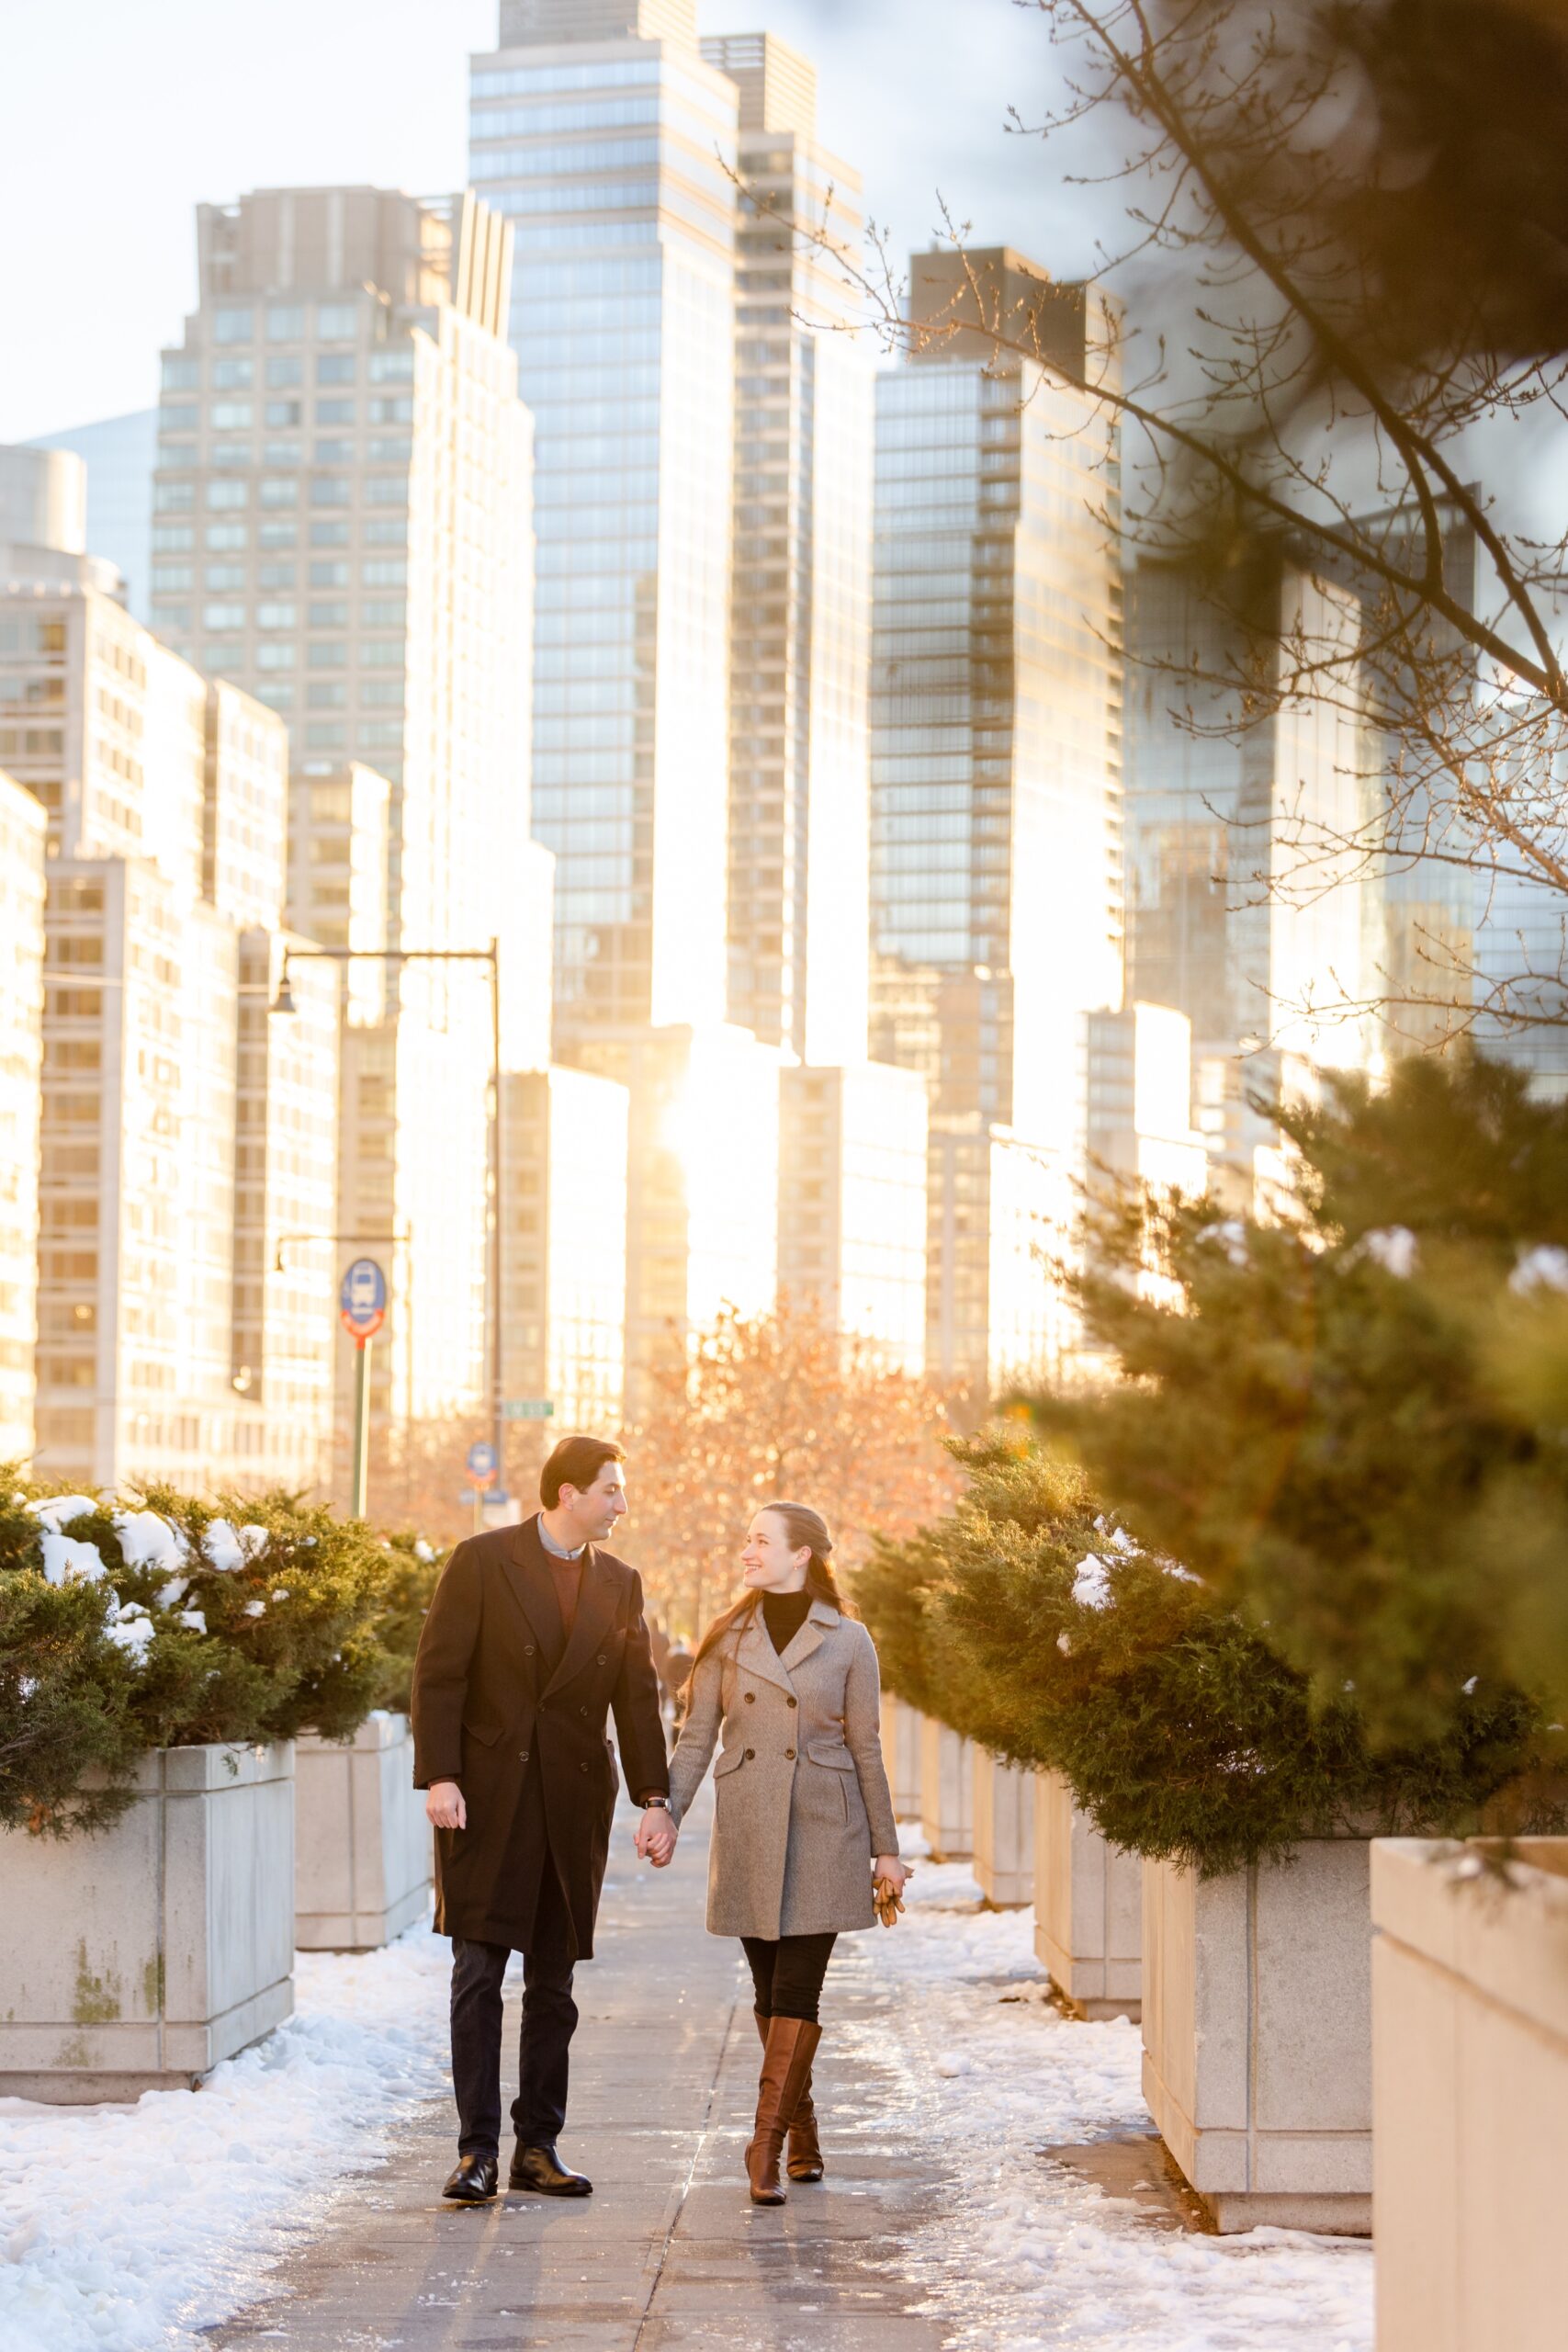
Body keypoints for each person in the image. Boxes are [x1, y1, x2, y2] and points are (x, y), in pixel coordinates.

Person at [412, 1434, 675, 2204]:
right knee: (478, 1976)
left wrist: (654, 1801)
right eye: (612, 1491)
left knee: (554, 1985)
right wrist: (441, 1775)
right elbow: (438, 1673)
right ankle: (475, 2152)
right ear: (568, 1494)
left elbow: (636, 1696)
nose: (622, 1505)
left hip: (571, 1801)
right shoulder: (483, 1561)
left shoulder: (620, 1584)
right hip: (486, 1799)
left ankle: (538, 2146)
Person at [637, 1501, 908, 2205]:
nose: (747, 1551)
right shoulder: (726, 1637)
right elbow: (695, 1739)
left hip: (826, 1826)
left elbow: (866, 1749)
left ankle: (762, 2145)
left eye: (761, 1541)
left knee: (797, 1990)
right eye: (746, 1538)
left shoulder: (849, 1640)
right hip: (751, 1822)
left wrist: (887, 1849)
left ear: (802, 1556)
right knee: (765, 1992)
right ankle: (802, 2129)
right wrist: (664, 1810)